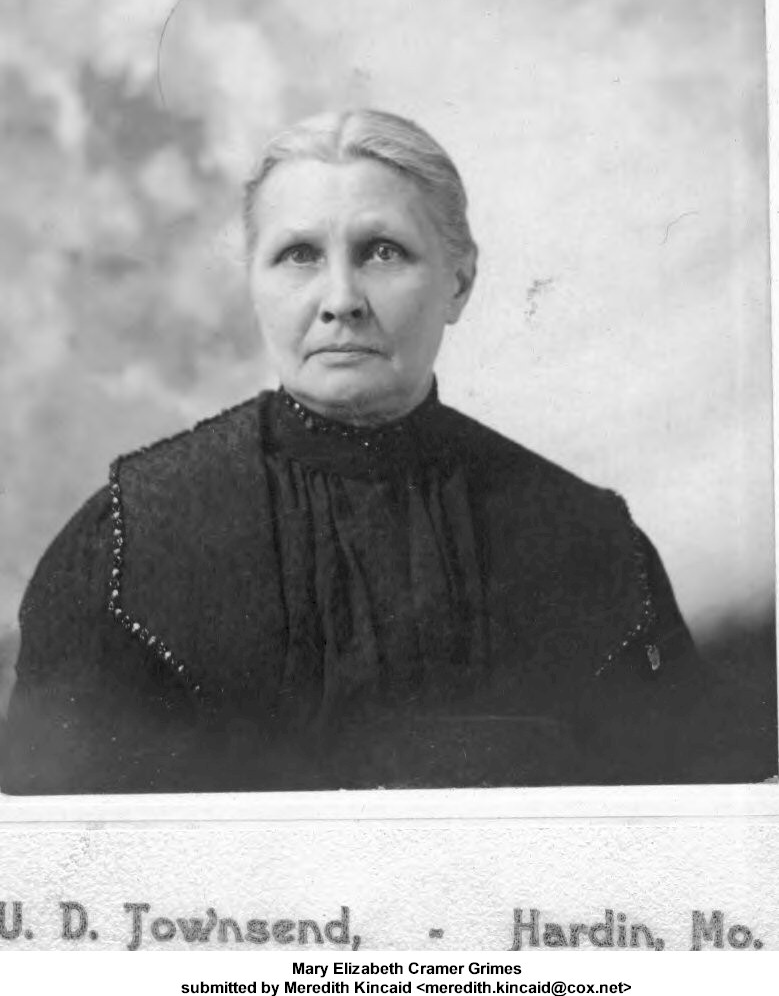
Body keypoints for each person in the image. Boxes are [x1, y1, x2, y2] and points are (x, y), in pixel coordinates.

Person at [0, 110, 762, 794]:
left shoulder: (587, 540)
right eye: (298, 255)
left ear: (458, 283)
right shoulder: (129, 539)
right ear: (252, 283)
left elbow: (683, 842)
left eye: (383, 252)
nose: (341, 299)